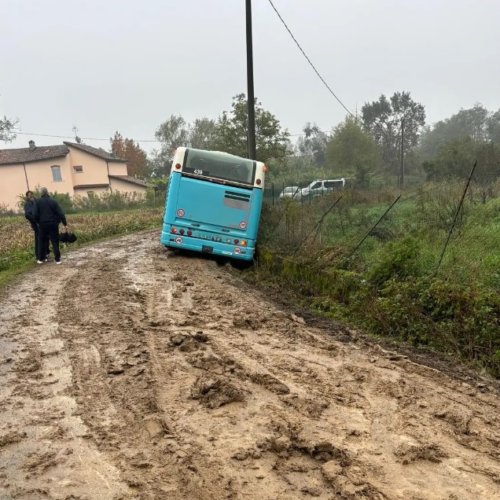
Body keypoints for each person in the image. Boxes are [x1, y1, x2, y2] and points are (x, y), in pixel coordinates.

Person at [33, 187, 69, 265]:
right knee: (55, 241)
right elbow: (60, 213)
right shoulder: (53, 201)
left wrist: (39, 222)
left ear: (41, 193)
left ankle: (40, 259)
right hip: (53, 224)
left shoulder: (37, 202)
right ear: (47, 192)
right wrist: (64, 224)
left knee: (41, 241)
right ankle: (57, 259)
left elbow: (35, 215)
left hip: (43, 224)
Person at [24, 190, 49, 261]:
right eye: (29, 195)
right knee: (39, 240)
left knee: (45, 238)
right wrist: (36, 221)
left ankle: (45, 253)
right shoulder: (27, 204)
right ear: (27, 196)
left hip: (42, 223)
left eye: (31, 194)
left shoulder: (36, 202)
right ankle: (39, 255)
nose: (31, 196)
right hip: (36, 224)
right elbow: (28, 215)